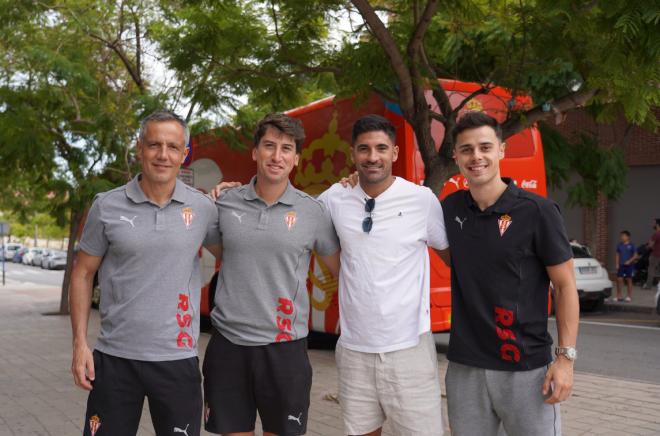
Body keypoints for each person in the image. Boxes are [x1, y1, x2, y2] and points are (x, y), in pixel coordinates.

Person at [70, 110, 222, 436]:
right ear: (140, 149)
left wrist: (243, 197)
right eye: (154, 145)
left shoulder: (203, 209)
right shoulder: (106, 206)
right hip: (113, 359)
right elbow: (82, 274)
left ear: (185, 154)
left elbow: (238, 256)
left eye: (172, 146)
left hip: (177, 359)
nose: (163, 155)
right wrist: (80, 345)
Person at [441, 111, 579, 436]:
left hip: (526, 368)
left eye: (485, 147)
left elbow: (564, 286)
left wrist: (565, 360)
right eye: (467, 149)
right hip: (466, 368)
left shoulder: (538, 212)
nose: (477, 157)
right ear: (455, 156)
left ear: (501, 150)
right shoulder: (449, 209)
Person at [203, 113, 340, 436]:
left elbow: (342, 270)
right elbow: (225, 255)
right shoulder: (224, 203)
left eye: (286, 148)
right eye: (269, 146)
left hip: (285, 348)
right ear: (254, 152)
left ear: (296, 158)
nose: (277, 156)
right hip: (229, 345)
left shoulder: (313, 211)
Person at [318, 114, 449, 436]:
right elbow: (295, 220)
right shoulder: (334, 199)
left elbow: (453, 258)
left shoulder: (421, 201)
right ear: (353, 154)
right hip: (354, 350)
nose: (372, 157)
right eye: (364, 149)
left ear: (395, 152)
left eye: (380, 148)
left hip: (409, 350)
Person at [614, 230, 637, 302]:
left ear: (628, 237)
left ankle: (629, 296)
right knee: (619, 280)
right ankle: (619, 295)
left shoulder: (632, 245)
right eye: (621, 236)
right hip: (621, 265)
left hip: (629, 266)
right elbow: (617, 255)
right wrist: (617, 264)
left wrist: (629, 261)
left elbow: (635, 255)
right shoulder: (619, 245)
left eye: (623, 236)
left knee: (629, 280)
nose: (622, 237)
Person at [642, 219, 660, 289]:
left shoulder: (656, 234)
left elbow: (650, 245)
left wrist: (646, 247)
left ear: (657, 224)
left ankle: (648, 286)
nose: (653, 224)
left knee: (651, 270)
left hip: (655, 255)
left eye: (654, 223)